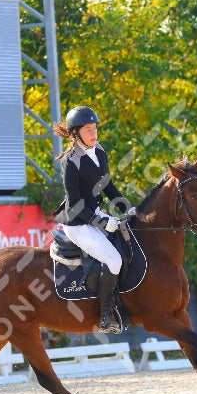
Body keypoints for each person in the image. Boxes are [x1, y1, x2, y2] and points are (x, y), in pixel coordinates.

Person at [52, 105, 135, 334]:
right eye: (88, 129)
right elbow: (75, 204)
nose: (94, 133)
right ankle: (106, 315)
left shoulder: (99, 151)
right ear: (76, 133)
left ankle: (122, 303)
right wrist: (101, 223)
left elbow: (107, 186)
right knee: (114, 260)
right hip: (77, 223)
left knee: (129, 247)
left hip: (96, 215)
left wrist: (128, 208)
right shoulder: (70, 161)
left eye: (95, 127)